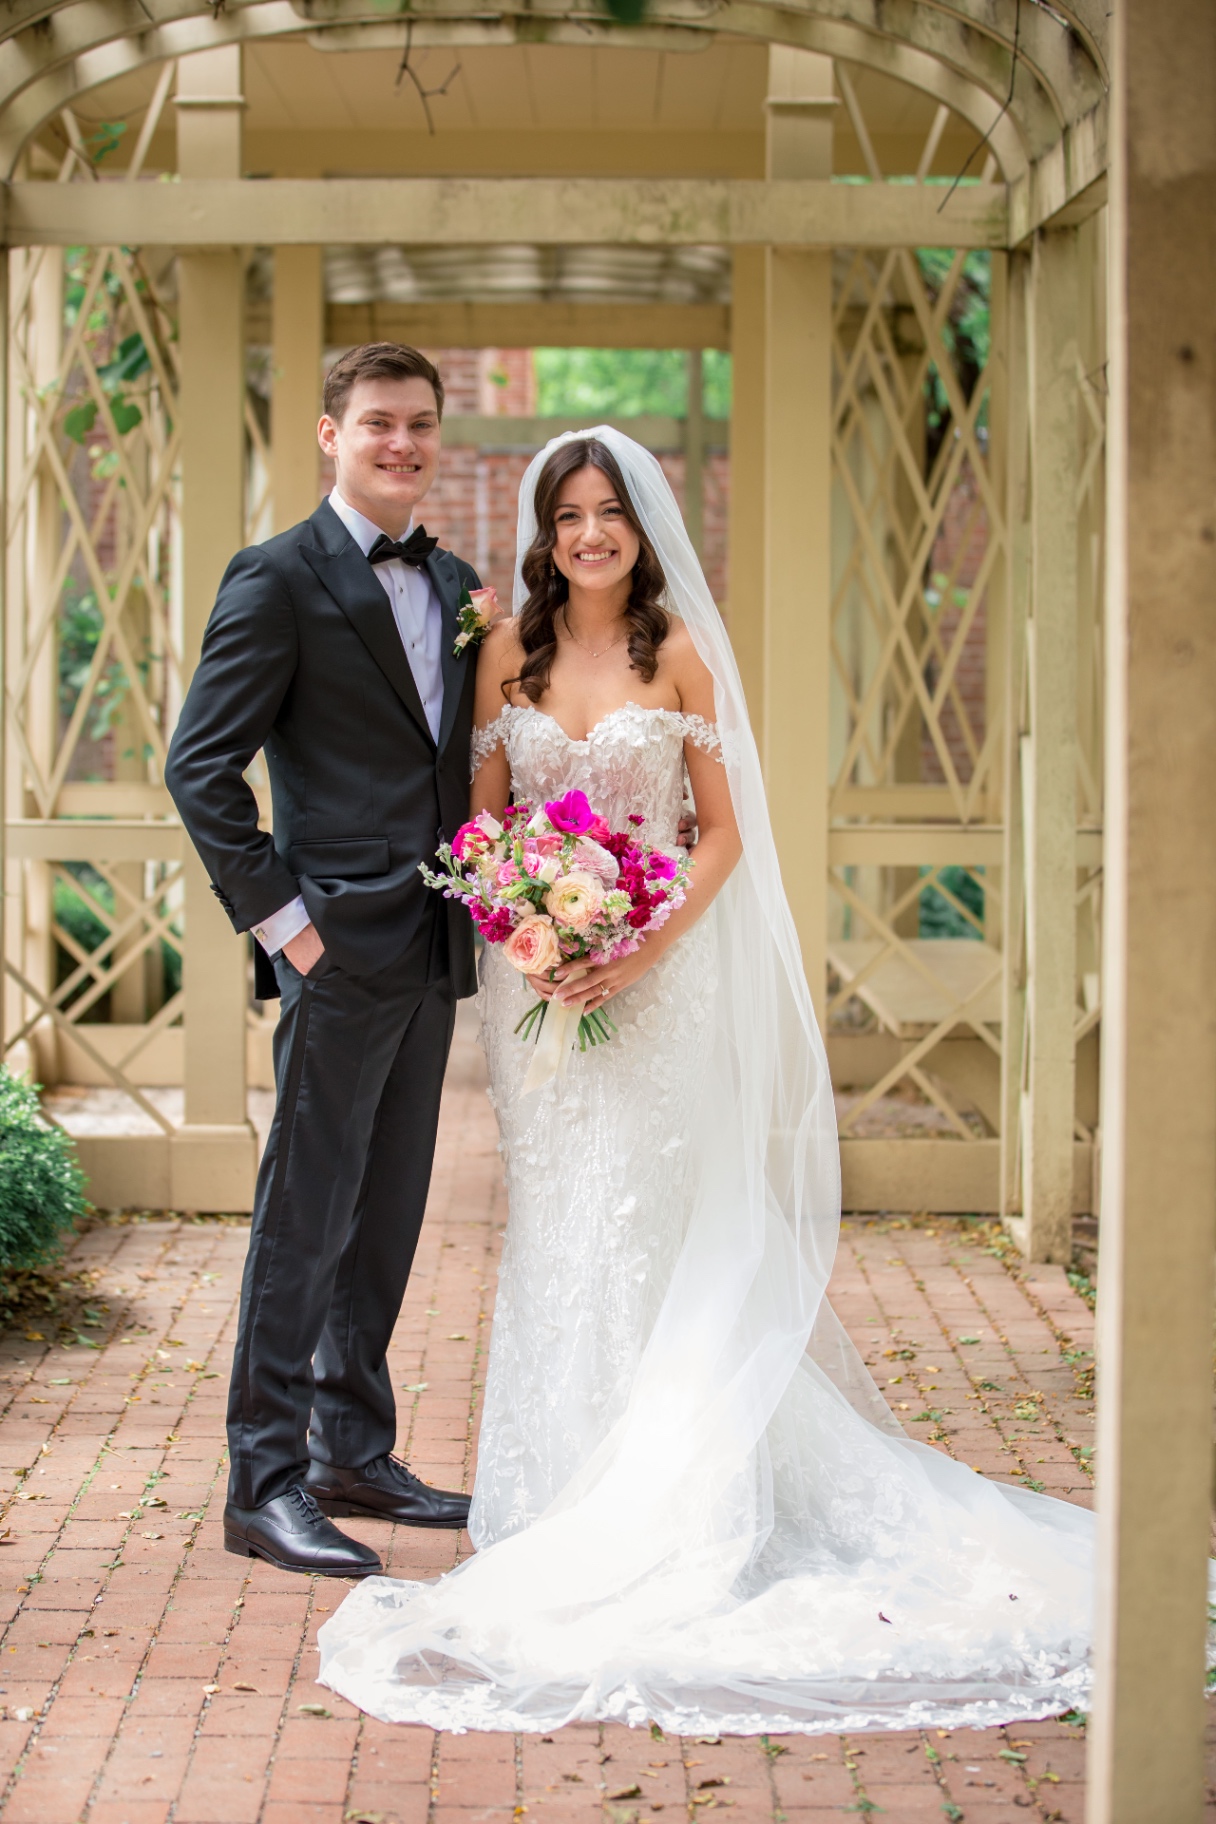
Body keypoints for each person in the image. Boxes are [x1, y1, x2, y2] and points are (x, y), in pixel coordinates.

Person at [316, 426, 1100, 1735]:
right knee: (562, 1227)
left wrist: (636, 947)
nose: (588, 533)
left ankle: (676, 1492)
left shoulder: (676, 654)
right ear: (542, 526)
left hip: (657, 974)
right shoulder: (501, 649)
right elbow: (482, 825)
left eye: (609, 510)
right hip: (534, 986)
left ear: (641, 523)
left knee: (651, 1220)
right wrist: (531, 936)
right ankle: (564, 1494)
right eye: (566, 513)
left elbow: (724, 832)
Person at [166, 343, 483, 1578]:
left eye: (418, 426)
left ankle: (355, 1448)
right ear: (329, 435)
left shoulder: (453, 581)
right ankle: (265, 1481)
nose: (400, 444)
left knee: (384, 1214)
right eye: (378, 425)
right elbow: (202, 767)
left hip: (432, 946)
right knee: (304, 1217)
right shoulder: (277, 579)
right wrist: (288, 926)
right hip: (335, 948)